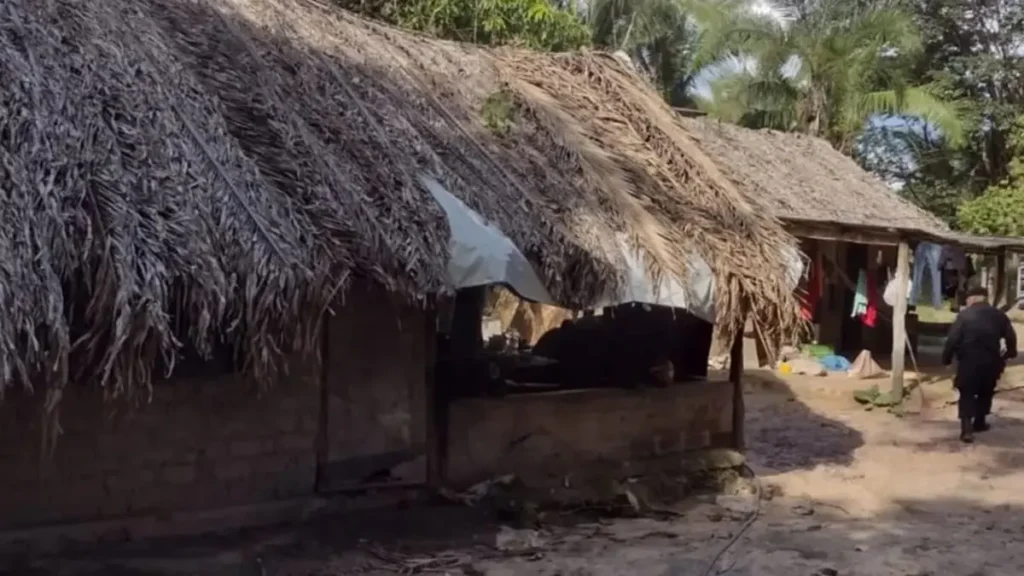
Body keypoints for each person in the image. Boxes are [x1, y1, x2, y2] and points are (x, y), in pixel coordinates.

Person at [942, 286, 1017, 443]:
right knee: (986, 391)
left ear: (972, 298)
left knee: (967, 392)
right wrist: (1010, 353)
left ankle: (966, 430)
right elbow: (1010, 336)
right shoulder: (999, 315)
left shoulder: (964, 316)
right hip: (991, 360)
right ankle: (980, 422)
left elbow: (952, 339)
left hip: (968, 360)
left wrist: (946, 359)